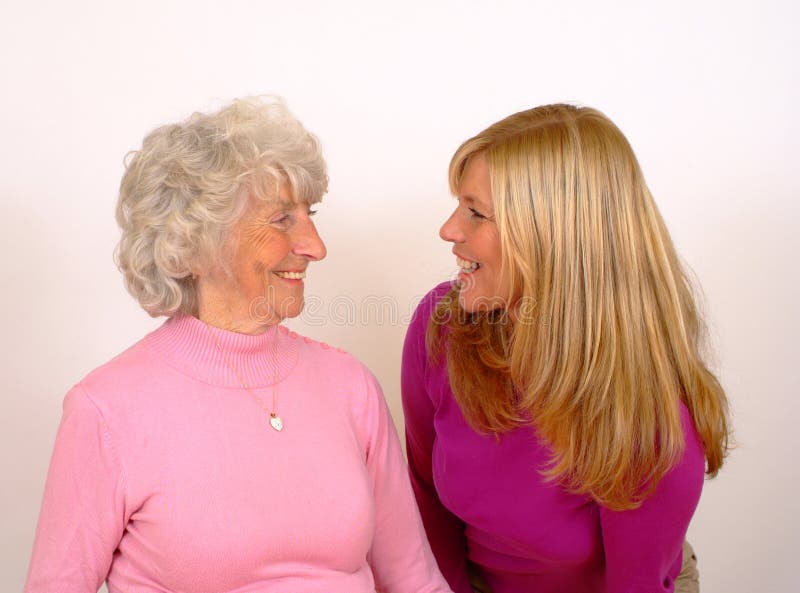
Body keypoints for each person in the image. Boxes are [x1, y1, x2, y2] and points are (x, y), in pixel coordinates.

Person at [25, 96, 451, 593]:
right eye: (280, 219)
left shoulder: (349, 386)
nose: (316, 246)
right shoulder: (105, 410)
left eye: (309, 213)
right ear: (195, 245)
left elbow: (415, 583)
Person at [401, 104, 730, 593]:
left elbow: (633, 585)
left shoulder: (651, 412)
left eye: (476, 212)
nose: (449, 229)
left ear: (552, 241)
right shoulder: (441, 326)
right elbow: (424, 497)